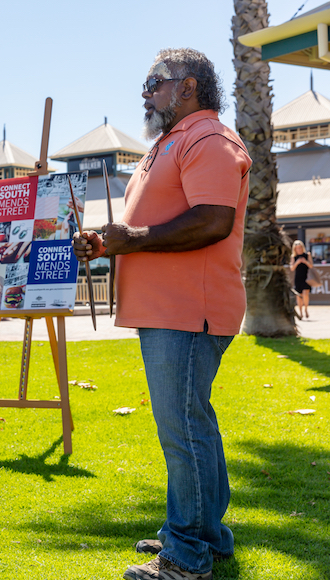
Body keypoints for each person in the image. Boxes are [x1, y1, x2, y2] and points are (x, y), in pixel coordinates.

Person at [73, 48, 252, 580]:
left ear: (188, 86)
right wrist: (107, 243)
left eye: (154, 82)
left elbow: (214, 220)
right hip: (169, 310)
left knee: (183, 429)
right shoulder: (172, 143)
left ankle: (186, 555)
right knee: (195, 424)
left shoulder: (209, 139)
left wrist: (134, 237)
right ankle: (207, 535)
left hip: (188, 310)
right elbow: (147, 227)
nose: (145, 92)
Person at [291, 240, 314, 319]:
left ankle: (306, 309)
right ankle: (300, 312)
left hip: (306, 278)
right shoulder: (293, 257)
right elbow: (292, 268)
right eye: (297, 248)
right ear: (295, 249)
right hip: (298, 278)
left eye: (300, 247)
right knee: (299, 296)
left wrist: (305, 262)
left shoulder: (307, 255)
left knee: (305, 294)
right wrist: (297, 262)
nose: (299, 249)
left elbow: (311, 266)